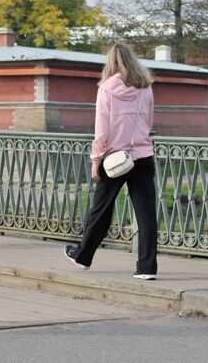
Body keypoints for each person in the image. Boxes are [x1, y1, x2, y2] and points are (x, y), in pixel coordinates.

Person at [64, 43, 158, 280]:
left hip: (114, 160)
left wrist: (95, 159)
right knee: (146, 214)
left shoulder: (106, 88)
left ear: (111, 62)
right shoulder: (146, 87)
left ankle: (83, 256)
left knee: (101, 210)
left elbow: (102, 129)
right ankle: (147, 268)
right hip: (143, 156)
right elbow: (149, 121)